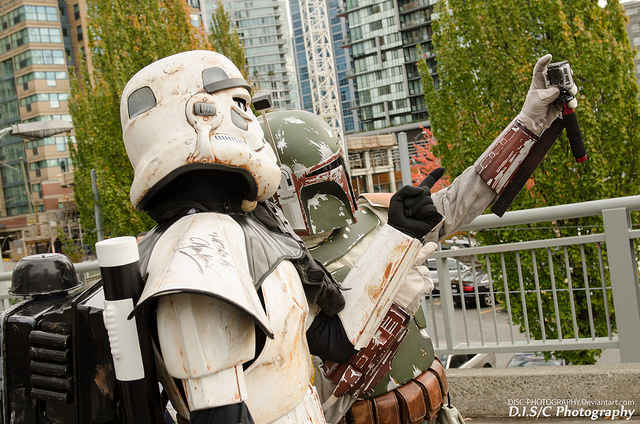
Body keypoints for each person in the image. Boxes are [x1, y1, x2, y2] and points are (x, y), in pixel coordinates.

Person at [116, 50, 444, 424]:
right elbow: (219, 413)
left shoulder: (246, 231)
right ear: (201, 115)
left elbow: (336, 339)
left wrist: (399, 236)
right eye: (240, 105)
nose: (252, 124)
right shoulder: (197, 255)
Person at [262, 54, 576, 424]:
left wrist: (530, 121)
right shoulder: (274, 273)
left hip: (435, 406)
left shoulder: (377, 216)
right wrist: (394, 299)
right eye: (322, 173)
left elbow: (462, 199)